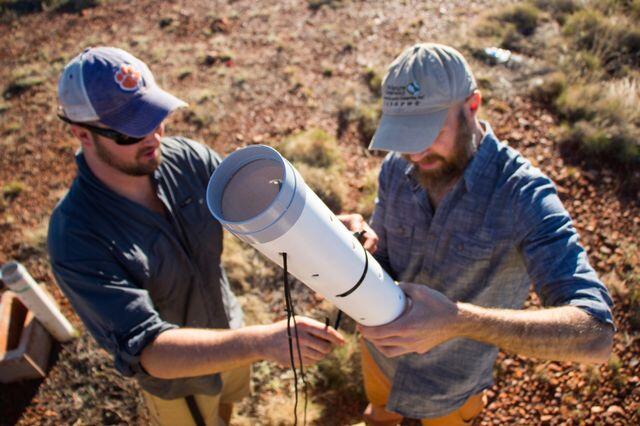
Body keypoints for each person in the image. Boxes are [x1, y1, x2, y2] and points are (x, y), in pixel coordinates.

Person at [48, 47, 344, 426]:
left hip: (232, 333)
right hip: (181, 383)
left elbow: (255, 205)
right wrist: (261, 342)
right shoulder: (76, 236)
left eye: (155, 117)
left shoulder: (185, 159)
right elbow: (149, 349)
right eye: (130, 130)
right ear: (82, 135)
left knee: (228, 409)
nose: (153, 135)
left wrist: (332, 226)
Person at [353, 43, 615, 425]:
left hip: (450, 390)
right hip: (380, 359)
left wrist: (458, 320)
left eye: (429, 132)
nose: (414, 152)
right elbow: (385, 259)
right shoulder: (396, 168)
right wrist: (350, 247)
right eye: (404, 136)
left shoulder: (522, 194)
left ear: (473, 105)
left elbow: (596, 333)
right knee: (379, 414)